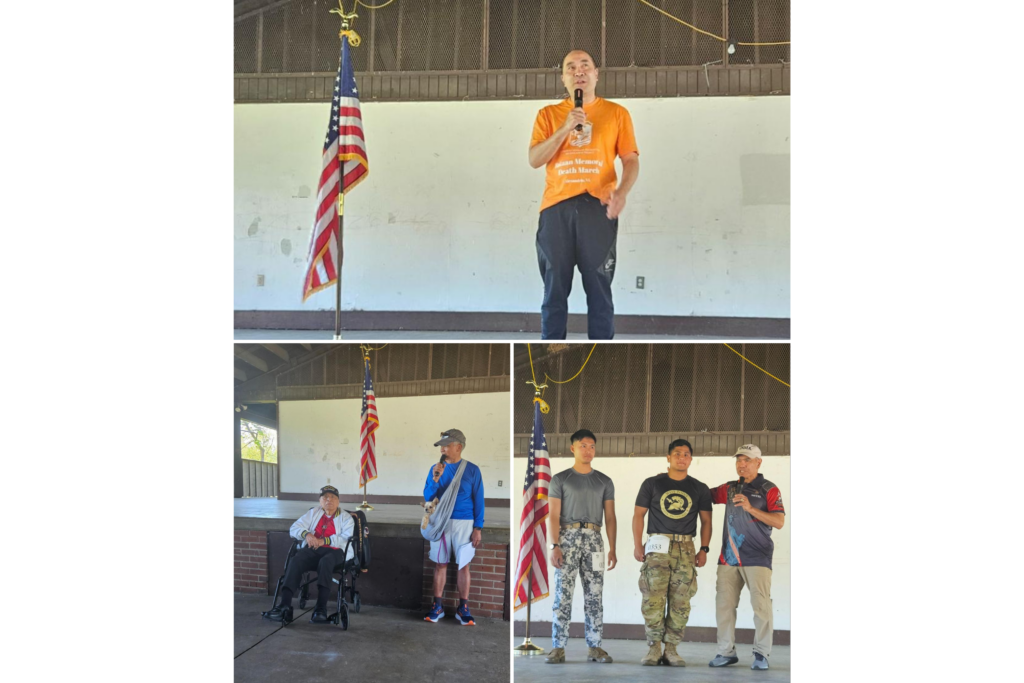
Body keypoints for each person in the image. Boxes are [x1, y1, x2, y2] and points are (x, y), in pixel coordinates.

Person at [528, 49, 640, 341]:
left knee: (600, 291)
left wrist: (622, 192)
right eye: (571, 67)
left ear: (596, 74)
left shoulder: (617, 113)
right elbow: (535, 159)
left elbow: (631, 159)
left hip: (598, 209)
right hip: (556, 209)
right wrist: (565, 126)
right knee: (554, 292)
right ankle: (551, 353)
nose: (579, 71)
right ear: (564, 78)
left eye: (585, 65)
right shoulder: (548, 115)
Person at [633, 439, 713, 666]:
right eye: (677, 453)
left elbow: (706, 521)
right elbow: (638, 515)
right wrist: (638, 545)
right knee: (652, 598)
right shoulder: (652, 483)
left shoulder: (699, 488)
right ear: (668, 457)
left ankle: (671, 649)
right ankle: (653, 648)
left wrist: (704, 548)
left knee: (681, 600)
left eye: (686, 454)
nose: (682, 458)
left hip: (686, 548)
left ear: (691, 459)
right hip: (657, 545)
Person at [708, 444, 786, 671]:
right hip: (728, 559)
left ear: (758, 462)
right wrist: (675, 479)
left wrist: (751, 509)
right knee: (723, 606)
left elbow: (779, 522)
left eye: (747, 460)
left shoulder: (769, 489)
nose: (742, 464)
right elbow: (702, 494)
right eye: (738, 460)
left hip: (757, 558)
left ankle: (761, 654)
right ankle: (725, 652)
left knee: (761, 607)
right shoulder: (729, 488)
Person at [544, 429, 617, 664]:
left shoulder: (604, 480)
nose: (588, 450)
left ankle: (595, 646)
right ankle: (558, 647)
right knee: (562, 594)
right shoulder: (561, 479)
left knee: (594, 594)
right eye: (583, 445)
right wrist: (554, 545)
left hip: (594, 540)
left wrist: (613, 548)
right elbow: (553, 515)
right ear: (572, 448)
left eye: (592, 446)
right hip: (567, 537)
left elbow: (611, 517)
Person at [264, 484, 355, 623]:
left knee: (326, 562)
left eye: (332, 497)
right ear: (320, 501)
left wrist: (323, 540)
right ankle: (284, 606)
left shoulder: (346, 517)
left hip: (336, 552)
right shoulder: (314, 512)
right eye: (325, 497)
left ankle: (320, 609)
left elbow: (345, 538)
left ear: (338, 501)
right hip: (313, 550)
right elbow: (295, 527)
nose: (328, 500)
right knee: (296, 560)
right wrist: (306, 534)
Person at [422, 428, 485, 626]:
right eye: (441, 445)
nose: (443, 448)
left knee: (463, 565)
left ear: (459, 447)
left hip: (464, 522)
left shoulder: (472, 470)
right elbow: (428, 497)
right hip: (440, 520)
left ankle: (463, 608)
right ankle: (437, 606)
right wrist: (435, 479)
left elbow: (479, 500)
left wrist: (478, 527)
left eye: (447, 445)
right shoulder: (436, 468)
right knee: (440, 564)